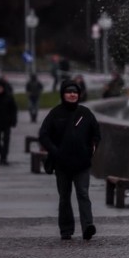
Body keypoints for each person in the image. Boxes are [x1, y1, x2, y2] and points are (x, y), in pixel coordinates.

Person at [38, 79, 101, 240]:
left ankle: (88, 226)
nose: (72, 94)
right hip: (62, 164)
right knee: (64, 197)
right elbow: (43, 135)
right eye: (69, 92)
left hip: (82, 164)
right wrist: (55, 151)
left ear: (79, 95)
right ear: (63, 94)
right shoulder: (55, 113)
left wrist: (90, 151)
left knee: (83, 194)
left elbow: (96, 135)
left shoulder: (85, 113)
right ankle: (66, 230)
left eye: (75, 92)